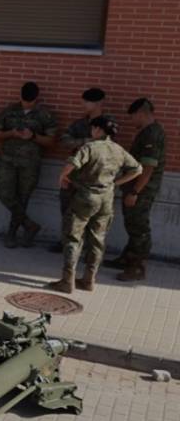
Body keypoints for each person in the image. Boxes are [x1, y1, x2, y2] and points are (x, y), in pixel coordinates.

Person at [47, 116, 142, 294]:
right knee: (98, 240)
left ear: (98, 130)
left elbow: (73, 163)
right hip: (106, 198)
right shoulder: (118, 149)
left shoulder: (90, 146)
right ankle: (89, 280)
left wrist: (63, 176)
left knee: (73, 237)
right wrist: (117, 182)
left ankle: (67, 281)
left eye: (93, 128)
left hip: (85, 196)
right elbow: (138, 169)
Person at [107, 98, 166, 282]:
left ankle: (138, 267)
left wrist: (135, 192)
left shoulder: (152, 134)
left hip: (142, 190)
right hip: (136, 187)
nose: (132, 121)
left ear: (141, 113)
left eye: (133, 117)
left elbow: (148, 167)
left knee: (139, 227)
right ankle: (128, 258)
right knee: (132, 224)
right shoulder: (147, 132)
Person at [0, 82, 56, 248]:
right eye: (24, 99)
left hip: (30, 163)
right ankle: (29, 225)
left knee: (23, 199)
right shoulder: (9, 111)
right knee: (5, 194)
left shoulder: (45, 115)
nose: (27, 103)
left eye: (30, 100)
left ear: (36, 98)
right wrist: (11, 133)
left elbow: (51, 141)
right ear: (20, 96)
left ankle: (12, 234)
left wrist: (33, 136)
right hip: (8, 160)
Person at [49, 87, 108, 252]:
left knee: (90, 213)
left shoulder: (107, 123)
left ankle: (88, 247)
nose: (83, 105)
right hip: (74, 173)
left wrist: (83, 143)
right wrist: (87, 140)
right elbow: (65, 140)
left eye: (86, 102)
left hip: (94, 175)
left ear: (98, 103)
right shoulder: (80, 123)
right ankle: (66, 242)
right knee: (67, 207)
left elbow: (106, 145)